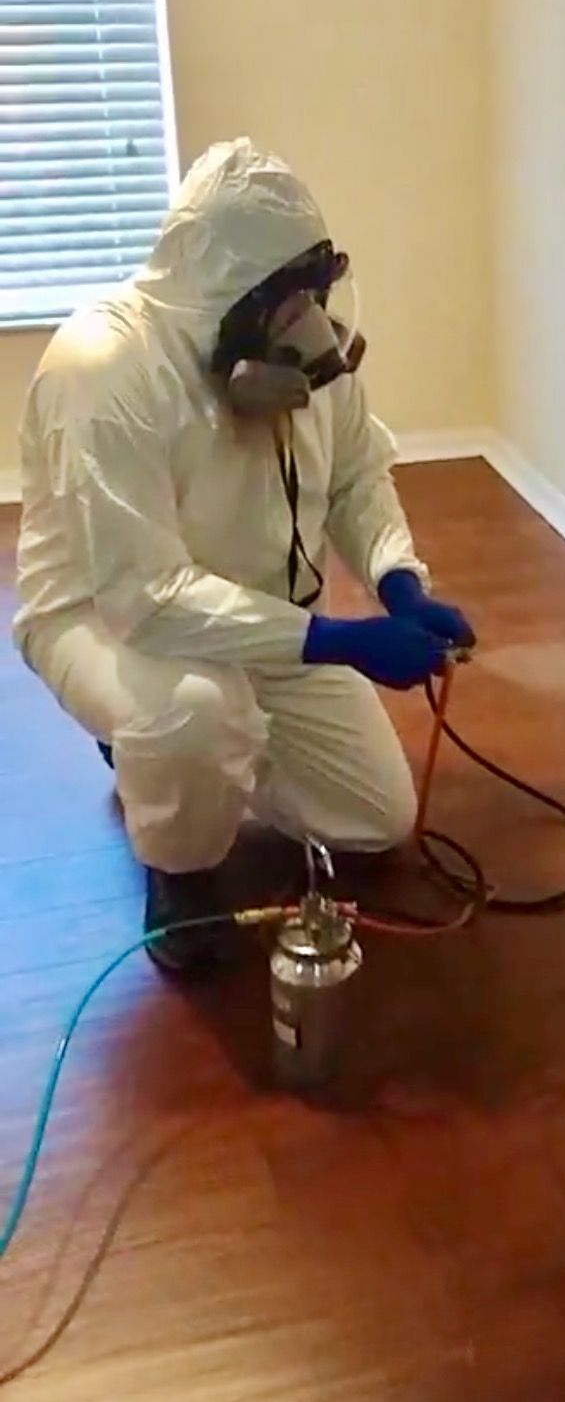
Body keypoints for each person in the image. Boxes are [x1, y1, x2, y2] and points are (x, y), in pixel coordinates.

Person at [13, 137, 474, 974]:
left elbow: (357, 479)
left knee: (377, 821)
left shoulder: (303, 359)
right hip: (108, 620)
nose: (307, 316)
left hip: (266, 618)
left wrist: (398, 581)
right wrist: (339, 641)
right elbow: (144, 597)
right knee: (194, 709)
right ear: (225, 293)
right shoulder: (108, 370)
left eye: (315, 288)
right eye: (288, 295)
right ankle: (177, 865)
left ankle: (193, 760)